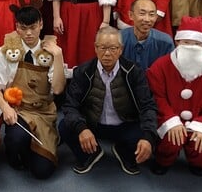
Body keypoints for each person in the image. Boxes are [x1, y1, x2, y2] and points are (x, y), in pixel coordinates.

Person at [59, 27, 158, 175]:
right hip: (93, 124)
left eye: (113, 48)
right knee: (65, 126)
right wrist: (82, 128)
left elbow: (148, 106)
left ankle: (123, 151)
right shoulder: (83, 71)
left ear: (121, 49)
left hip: (125, 124)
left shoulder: (134, 71)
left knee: (150, 134)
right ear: (95, 48)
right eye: (102, 48)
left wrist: (148, 137)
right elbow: (70, 105)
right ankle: (90, 154)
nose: (107, 53)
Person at [147, 16, 202, 176]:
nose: (192, 47)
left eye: (197, 44)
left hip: (200, 120)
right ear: (177, 42)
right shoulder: (160, 66)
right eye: (187, 42)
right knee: (169, 140)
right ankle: (163, 160)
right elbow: (156, 97)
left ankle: (198, 162)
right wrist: (171, 121)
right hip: (169, 119)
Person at [0, 6, 66, 179]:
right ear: (17, 27)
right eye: (23, 28)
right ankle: (15, 150)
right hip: (18, 110)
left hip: (43, 112)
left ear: (41, 24)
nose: (29, 33)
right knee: (17, 140)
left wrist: (59, 55)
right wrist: (5, 108)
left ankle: (43, 142)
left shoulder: (50, 52)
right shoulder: (6, 50)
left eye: (33, 27)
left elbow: (58, 89)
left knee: (42, 171)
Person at [120, 0, 174, 72]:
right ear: (131, 15)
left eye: (151, 15)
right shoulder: (119, 39)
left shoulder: (165, 42)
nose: (147, 19)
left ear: (156, 17)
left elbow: (169, 72)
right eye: (142, 14)